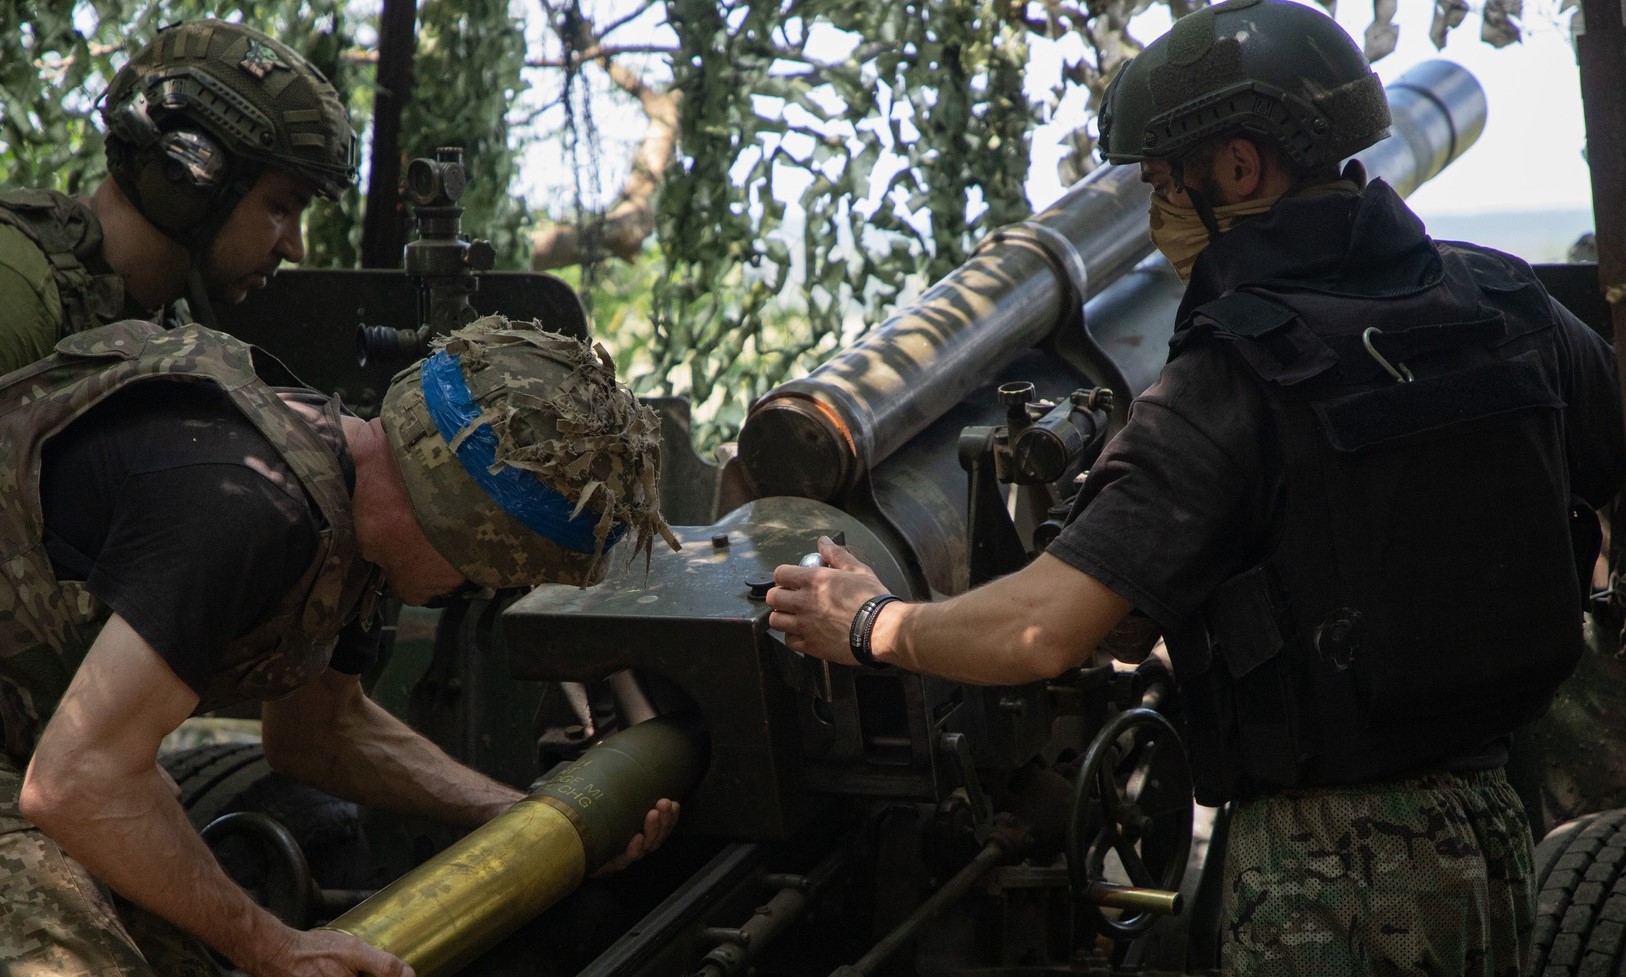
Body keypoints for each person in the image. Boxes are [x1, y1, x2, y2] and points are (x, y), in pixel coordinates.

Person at [766, 1, 1625, 973]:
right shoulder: (1507, 303)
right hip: (1499, 832)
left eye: (1165, 186)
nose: (1161, 217)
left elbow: (1044, 630)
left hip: (1329, 877)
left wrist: (871, 622)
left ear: (1242, 167)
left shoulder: (1231, 380)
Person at [0, 313, 682, 976]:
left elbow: (318, 733)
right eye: (487, 573)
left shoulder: (349, 524)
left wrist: (519, 812)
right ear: (460, 524)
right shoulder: (249, 505)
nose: (472, 589)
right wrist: (276, 947)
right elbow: (75, 782)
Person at [0, 19, 356, 374]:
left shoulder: (167, 322)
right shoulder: (17, 290)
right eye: (280, 208)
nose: (294, 249)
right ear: (186, 175)